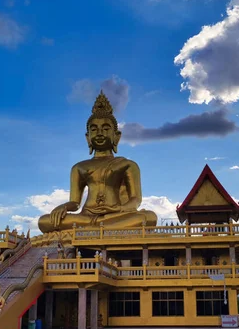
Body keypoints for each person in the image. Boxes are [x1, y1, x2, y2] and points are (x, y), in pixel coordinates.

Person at [38, 92, 157, 233]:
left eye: (106, 129)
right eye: (94, 130)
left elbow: (135, 200)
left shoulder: (127, 165)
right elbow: (75, 203)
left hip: (115, 214)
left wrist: (118, 209)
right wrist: (63, 207)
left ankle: (90, 229)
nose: (100, 133)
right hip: (86, 216)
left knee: (149, 217)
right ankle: (99, 228)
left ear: (116, 136)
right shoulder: (79, 167)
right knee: (44, 221)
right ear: (88, 137)